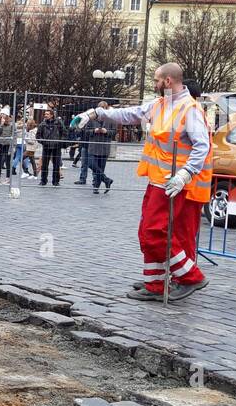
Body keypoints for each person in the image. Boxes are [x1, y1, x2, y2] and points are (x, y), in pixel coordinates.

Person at [86, 63, 213, 302]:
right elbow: (130, 114)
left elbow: (202, 146)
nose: (153, 84)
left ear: (167, 81)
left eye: (156, 80)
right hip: (159, 182)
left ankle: (189, 276)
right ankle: (155, 282)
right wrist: (97, 113)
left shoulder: (189, 109)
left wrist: (185, 174)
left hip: (174, 184)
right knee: (148, 232)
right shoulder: (161, 104)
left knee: (154, 232)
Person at [82, 107, 114, 194]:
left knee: (101, 168)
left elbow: (114, 132)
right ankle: (106, 180)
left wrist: (106, 131)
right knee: (91, 165)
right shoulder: (91, 119)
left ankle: (96, 187)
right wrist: (94, 130)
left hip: (104, 147)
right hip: (93, 147)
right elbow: (85, 131)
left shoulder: (111, 119)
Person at [37, 108, 65, 186]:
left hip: (56, 146)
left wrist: (60, 142)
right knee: (45, 165)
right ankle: (43, 180)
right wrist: (43, 141)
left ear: (52, 115)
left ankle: (56, 181)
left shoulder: (58, 123)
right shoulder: (42, 124)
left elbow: (64, 133)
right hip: (46, 146)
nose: (45, 115)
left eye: (47, 114)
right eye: (45, 114)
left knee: (56, 165)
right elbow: (38, 135)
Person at [0, 111, 15, 184]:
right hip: (1, 144)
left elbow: (14, 136)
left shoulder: (12, 126)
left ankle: (8, 178)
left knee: (8, 162)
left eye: (4, 118)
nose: (3, 120)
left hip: (8, 145)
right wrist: (1, 126)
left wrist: (13, 147)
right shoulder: (1, 126)